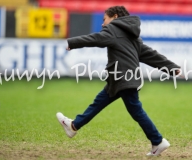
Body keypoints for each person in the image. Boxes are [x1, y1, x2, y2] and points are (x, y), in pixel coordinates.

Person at [56, 6, 180, 156]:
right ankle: (74, 126)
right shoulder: (132, 35)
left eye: (104, 19)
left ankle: (158, 141)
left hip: (123, 79)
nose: (103, 24)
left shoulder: (113, 29)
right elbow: (150, 54)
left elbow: (94, 39)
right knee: (99, 102)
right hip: (120, 80)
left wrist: (71, 42)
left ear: (114, 17)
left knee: (136, 110)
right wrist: (172, 68)